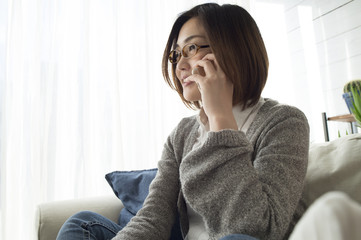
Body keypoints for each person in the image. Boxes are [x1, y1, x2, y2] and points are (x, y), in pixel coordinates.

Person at [56, 3, 309, 240]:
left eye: (191, 48)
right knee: (83, 224)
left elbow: (258, 229)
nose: (180, 66)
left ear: (234, 48)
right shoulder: (183, 134)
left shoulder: (284, 122)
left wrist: (220, 117)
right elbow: (153, 218)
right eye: (176, 55)